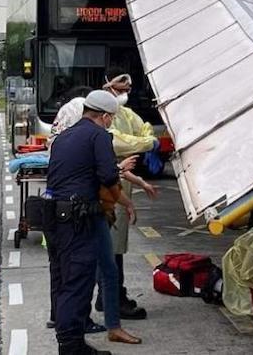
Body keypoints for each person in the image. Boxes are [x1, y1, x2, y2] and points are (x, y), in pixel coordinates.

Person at [44, 90, 131, 355]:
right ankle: (71, 347)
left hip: (53, 216)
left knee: (62, 280)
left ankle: (73, 342)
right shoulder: (99, 136)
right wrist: (125, 201)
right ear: (104, 117)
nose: (111, 123)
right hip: (77, 218)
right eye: (111, 118)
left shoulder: (64, 136)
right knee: (77, 283)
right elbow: (107, 175)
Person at [98, 73, 160, 320]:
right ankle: (112, 299)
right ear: (108, 85)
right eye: (122, 86)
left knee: (116, 246)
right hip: (108, 188)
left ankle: (109, 297)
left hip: (119, 185)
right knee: (110, 247)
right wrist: (146, 144)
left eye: (129, 87)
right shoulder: (103, 115)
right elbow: (117, 143)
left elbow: (142, 127)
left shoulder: (123, 113)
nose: (126, 91)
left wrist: (147, 140)